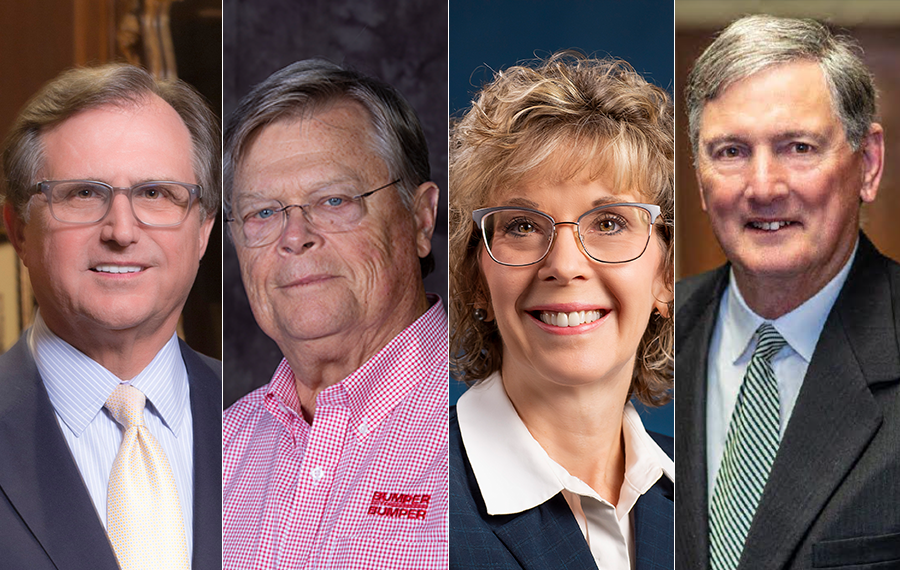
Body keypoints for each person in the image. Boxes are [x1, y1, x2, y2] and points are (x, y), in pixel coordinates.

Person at [676, 15, 900, 570]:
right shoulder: (637, 338)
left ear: (868, 164)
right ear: (699, 176)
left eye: (798, 147)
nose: (763, 187)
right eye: (730, 151)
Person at [449, 52, 675, 570]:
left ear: (665, 276)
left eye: (611, 222)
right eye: (522, 226)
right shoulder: (409, 491)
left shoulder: (712, 496)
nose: (565, 265)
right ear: (476, 279)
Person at [221, 60, 447, 569]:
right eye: (262, 213)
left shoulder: (498, 416)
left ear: (420, 218)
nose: (295, 236)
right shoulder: (213, 453)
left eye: (334, 200)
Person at [0, 64, 222, 569]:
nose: (121, 231)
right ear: (18, 230)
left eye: (155, 194)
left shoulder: (272, 426)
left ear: (204, 231)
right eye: (83, 194)